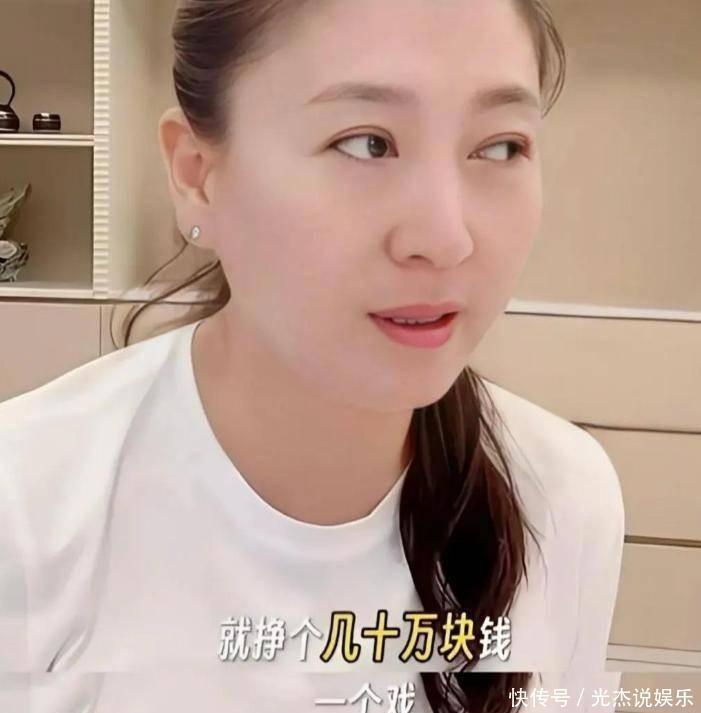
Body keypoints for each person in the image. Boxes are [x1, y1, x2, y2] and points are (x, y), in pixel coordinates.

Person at [0, 0, 626, 711]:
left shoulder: (560, 495)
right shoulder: (26, 504)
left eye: (500, 147)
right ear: (197, 174)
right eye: (366, 143)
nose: (445, 239)